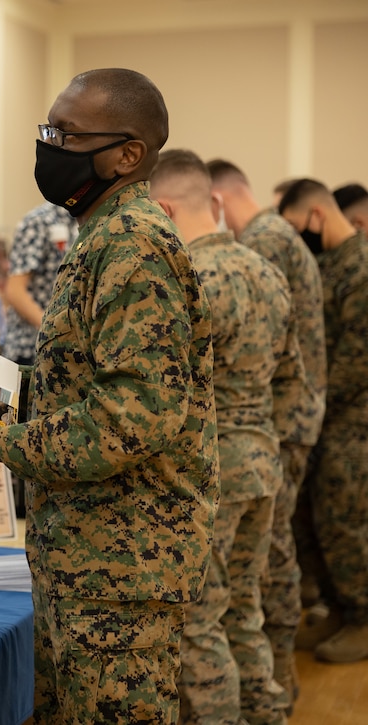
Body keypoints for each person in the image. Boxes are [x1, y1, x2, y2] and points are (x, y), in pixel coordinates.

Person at [0, 68, 218, 724]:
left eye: (67, 135)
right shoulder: (101, 238)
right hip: (89, 554)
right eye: (48, 130)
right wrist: (4, 392)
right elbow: (85, 383)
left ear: (128, 155)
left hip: (124, 566)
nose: (50, 147)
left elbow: (133, 416)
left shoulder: (133, 246)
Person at [151, 150, 306, 724]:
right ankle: (268, 714)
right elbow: (292, 378)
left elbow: (166, 397)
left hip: (212, 474)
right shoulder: (266, 270)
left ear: (163, 208)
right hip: (263, 462)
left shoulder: (187, 280)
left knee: (200, 621)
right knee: (244, 611)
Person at [207, 158, 326, 709]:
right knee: (266, 561)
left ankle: (274, 685)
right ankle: (273, 688)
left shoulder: (260, 245)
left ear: (218, 200)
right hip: (274, 429)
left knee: (265, 564)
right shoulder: (274, 237)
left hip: (264, 432)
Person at [279, 178, 368, 663]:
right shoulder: (329, 264)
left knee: (346, 524)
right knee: (316, 522)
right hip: (324, 420)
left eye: (297, 227)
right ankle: (339, 607)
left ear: (317, 215)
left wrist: (314, 400)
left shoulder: (362, 264)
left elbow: (357, 358)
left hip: (352, 422)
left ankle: (363, 617)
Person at [0, 201, 75, 367]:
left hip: (62, 348)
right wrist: (54, 333)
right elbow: (14, 291)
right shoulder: (38, 221)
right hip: (30, 347)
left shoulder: (81, 222)